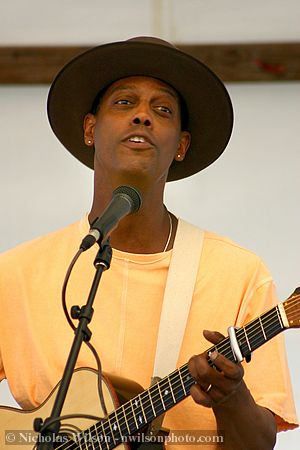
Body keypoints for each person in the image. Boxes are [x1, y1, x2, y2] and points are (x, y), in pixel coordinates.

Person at [0, 37, 298, 449]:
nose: (142, 116)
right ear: (90, 129)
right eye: (124, 103)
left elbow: (258, 443)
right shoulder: (16, 273)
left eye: (162, 109)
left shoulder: (238, 273)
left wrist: (230, 398)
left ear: (181, 146)